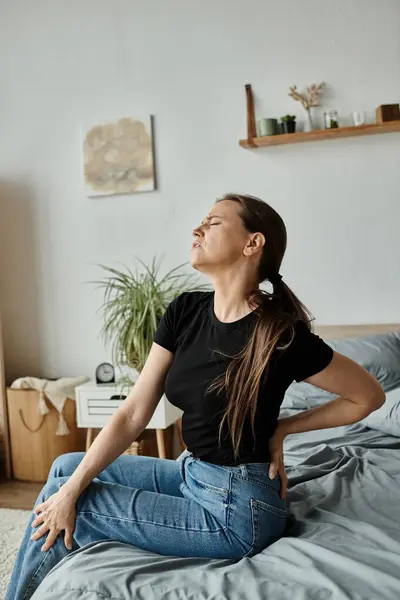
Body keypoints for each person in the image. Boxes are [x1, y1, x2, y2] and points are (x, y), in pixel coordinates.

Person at [6, 193, 385, 600]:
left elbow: (367, 396)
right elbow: (134, 412)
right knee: (66, 470)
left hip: (239, 510)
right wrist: (70, 488)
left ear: (252, 243)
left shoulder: (281, 335)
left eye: (214, 222)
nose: (197, 229)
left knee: (69, 503)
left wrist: (283, 428)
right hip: (192, 473)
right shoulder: (185, 311)